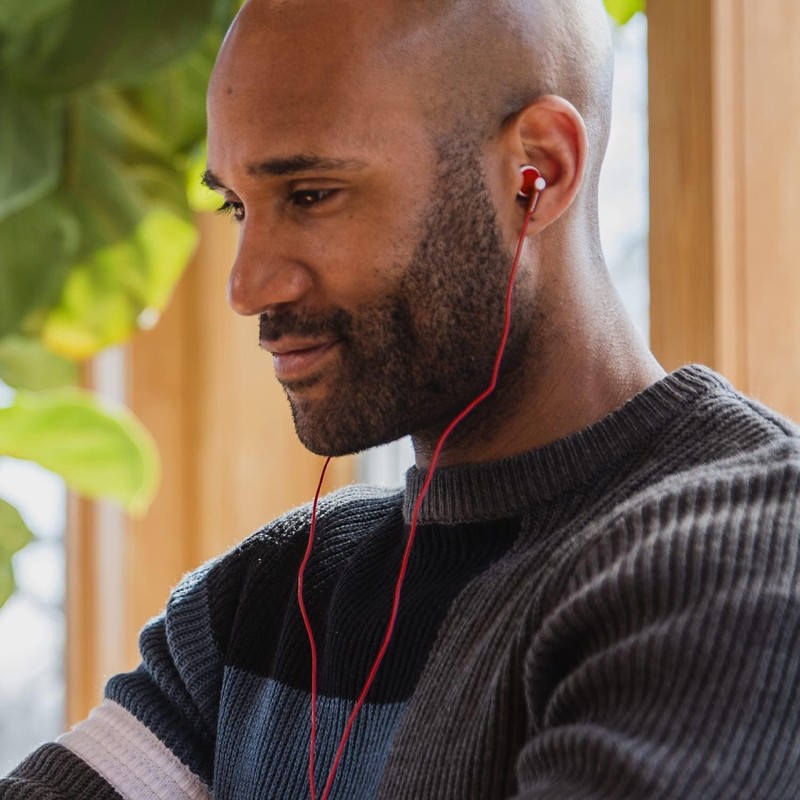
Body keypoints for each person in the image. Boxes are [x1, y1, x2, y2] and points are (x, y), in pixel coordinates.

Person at [4, 0, 800, 797]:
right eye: (237, 207)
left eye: (311, 195)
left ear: (539, 172)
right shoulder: (256, 606)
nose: (246, 287)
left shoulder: (741, 557)